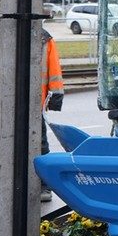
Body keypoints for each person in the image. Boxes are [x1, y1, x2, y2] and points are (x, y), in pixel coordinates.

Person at [39, 29, 64, 201]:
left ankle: (44, 185)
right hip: (32, 102)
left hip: (35, 104)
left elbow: (53, 70)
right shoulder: (45, 39)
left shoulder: (45, 40)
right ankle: (43, 185)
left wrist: (55, 98)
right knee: (40, 144)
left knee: (40, 144)